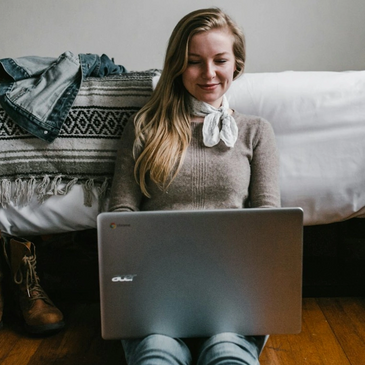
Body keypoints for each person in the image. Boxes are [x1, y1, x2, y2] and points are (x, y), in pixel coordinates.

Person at [108, 7, 280, 365]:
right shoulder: (144, 128)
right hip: (155, 293)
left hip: (233, 292)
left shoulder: (256, 131)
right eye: (194, 61)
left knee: (226, 353)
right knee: (158, 354)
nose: (209, 73)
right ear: (176, 66)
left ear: (237, 64)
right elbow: (120, 215)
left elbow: (270, 222)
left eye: (220, 60)